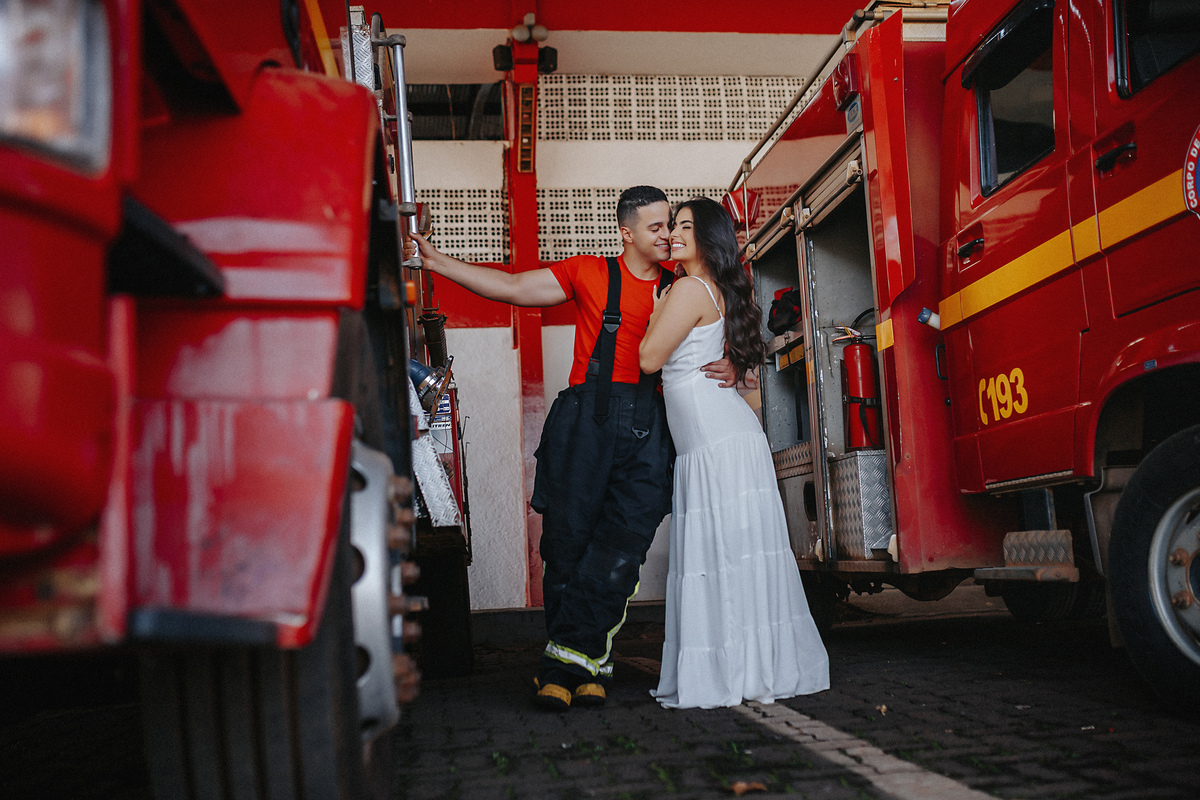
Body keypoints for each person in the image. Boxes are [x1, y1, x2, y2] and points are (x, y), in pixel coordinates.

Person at [410, 186, 739, 711]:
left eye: (673, 226)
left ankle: (565, 664)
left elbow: (731, 318)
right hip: (586, 422)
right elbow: (513, 286)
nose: (669, 235)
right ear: (627, 232)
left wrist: (737, 362)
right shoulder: (589, 272)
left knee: (619, 551)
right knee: (566, 547)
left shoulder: (687, 286)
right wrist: (438, 263)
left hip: (650, 428)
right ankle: (589, 662)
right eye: (657, 227)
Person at [639, 197, 829, 709]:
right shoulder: (715, 290)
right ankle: (753, 666)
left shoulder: (685, 289)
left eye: (684, 227)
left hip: (713, 443)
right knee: (739, 557)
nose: (673, 235)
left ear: (708, 238)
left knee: (723, 558)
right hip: (727, 438)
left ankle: (732, 670)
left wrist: (657, 310)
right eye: (671, 226)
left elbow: (649, 357)